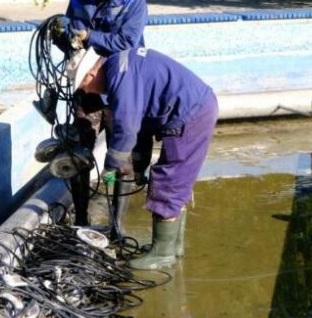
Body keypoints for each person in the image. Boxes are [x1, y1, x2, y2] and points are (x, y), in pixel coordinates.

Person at [71, 46, 219, 270]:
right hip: (193, 109)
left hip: (190, 114)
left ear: (91, 74)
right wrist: (139, 166)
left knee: (168, 180)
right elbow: (141, 126)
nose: (89, 92)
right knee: (177, 181)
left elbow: (127, 129)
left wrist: (110, 166)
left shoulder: (119, 79)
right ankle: (173, 247)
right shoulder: (120, 66)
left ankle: (163, 253)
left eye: (84, 86)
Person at [62, 0, 148, 233]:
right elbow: (70, 37)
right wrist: (66, 36)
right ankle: (82, 220)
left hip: (122, 86)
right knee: (78, 152)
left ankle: (116, 224)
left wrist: (90, 37)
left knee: (119, 158)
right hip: (88, 86)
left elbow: (126, 41)